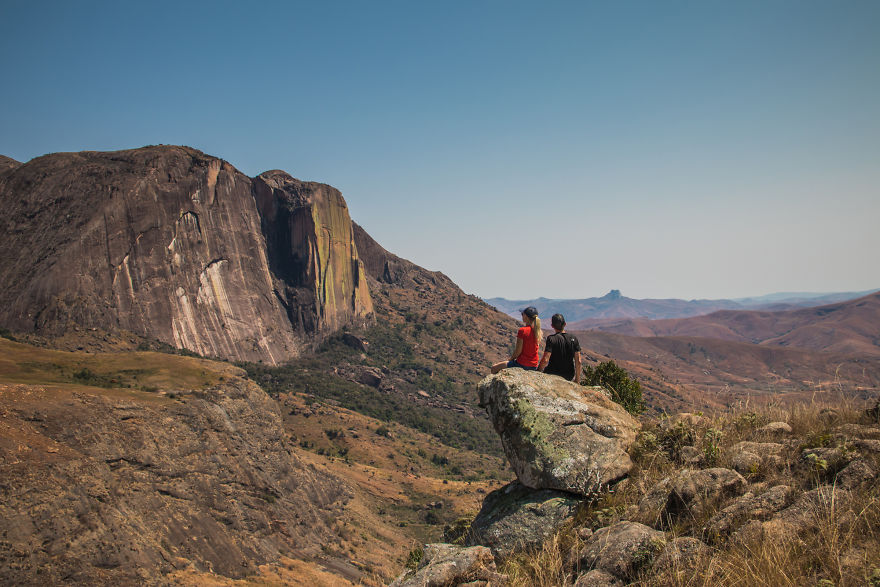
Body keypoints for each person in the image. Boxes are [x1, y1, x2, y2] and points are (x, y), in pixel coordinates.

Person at [491, 306, 542, 374]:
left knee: (494, 368)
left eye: (522, 314)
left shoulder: (523, 330)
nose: (522, 316)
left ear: (526, 316)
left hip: (521, 364)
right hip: (533, 366)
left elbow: (518, 351)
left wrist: (511, 360)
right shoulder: (538, 331)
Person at [538, 313, 582, 383]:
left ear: (552, 326)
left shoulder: (551, 339)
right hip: (568, 375)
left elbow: (545, 360)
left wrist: (538, 371)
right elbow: (578, 361)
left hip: (552, 373)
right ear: (565, 324)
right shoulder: (573, 338)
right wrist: (577, 379)